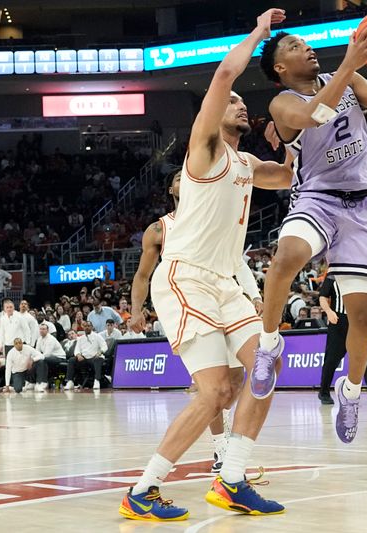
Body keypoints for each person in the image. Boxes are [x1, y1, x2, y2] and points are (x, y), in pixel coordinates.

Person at [120, 9, 291, 522]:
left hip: (225, 283)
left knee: (264, 366)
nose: (240, 106)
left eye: (243, 103)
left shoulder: (248, 163)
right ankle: (143, 490)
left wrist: (299, 140)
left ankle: (232, 479)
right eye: (233, 103)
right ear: (214, 114)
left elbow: (285, 178)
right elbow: (222, 75)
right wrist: (260, 33)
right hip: (185, 278)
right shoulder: (206, 148)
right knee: (216, 390)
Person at [256, 21, 367, 444]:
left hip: (360, 207)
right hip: (317, 198)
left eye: (306, 43)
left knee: (363, 316)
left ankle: (352, 390)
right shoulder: (282, 102)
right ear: (280, 68)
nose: (307, 48)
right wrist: (348, 64)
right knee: (287, 256)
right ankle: (269, 344)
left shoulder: (347, 79)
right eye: (295, 45)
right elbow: (313, 115)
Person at [130, 169, 262, 473]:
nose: (182, 180)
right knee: (212, 386)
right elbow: (142, 275)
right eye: (176, 177)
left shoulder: (213, 216)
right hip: (189, 296)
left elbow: (237, 260)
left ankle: (226, 431)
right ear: (171, 188)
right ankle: (221, 449)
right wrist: (137, 309)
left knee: (236, 381)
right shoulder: (159, 229)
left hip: (224, 295)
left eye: (184, 176)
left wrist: (253, 293)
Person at [317, 274, 367, 405]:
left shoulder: (360, 274)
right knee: (331, 358)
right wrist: (329, 311)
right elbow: (323, 297)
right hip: (338, 321)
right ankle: (324, 391)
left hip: (357, 320)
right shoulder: (333, 276)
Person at [65, 321, 107, 390]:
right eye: (85, 326)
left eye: (88, 326)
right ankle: (70, 381)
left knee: (98, 359)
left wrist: (100, 352)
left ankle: (97, 381)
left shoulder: (97, 336)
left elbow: (104, 346)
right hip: (84, 358)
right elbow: (77, 349)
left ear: (92, 327)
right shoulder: (81, 338)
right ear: (83, 328)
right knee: (72, 360)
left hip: (94, 357)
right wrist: (78, 355)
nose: (87, 328)